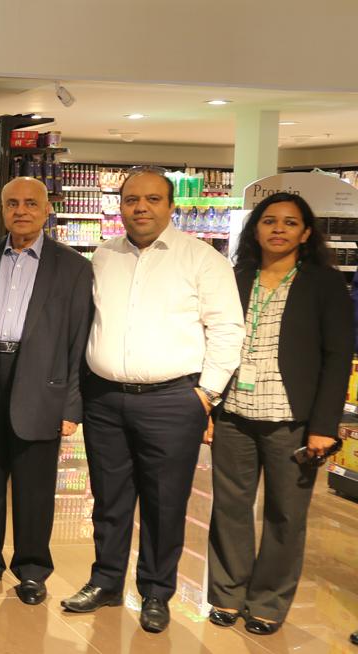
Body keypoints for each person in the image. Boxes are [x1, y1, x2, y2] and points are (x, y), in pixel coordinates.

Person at [60, 167, 244, 634]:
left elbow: (227, 328)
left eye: (152, 199)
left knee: (165, 504)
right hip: (105, 399)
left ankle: (156, 592)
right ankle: (105, 581)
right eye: (132, 199)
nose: (140, 207)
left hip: (172, 401)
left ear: (170, 206)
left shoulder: (202, 259)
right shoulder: (103, 256)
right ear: (120, 205)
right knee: (109, 499)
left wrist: (207, 393)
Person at [205, 193, 352, 635]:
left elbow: (337, 357)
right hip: (233, 413)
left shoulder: (324, 284)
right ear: (255, 229)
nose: (278, 229)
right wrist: (207, 405)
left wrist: (323, 426)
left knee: (286, 515)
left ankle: (268, 601)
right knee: (229, 508)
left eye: (290, 223)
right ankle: (226, 594)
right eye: (269, 221)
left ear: (306, 233)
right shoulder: (235, 278)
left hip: (293, 420)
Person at [0, 177, 92, 605]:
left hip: (42, 384)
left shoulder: (73, 267)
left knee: (34, 488)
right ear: (2, 210)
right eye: (12, 203)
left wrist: (72, 406)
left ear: (47, 210)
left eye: (31, 203)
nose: (21, 211)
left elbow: (79, 340)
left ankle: (32, 571)